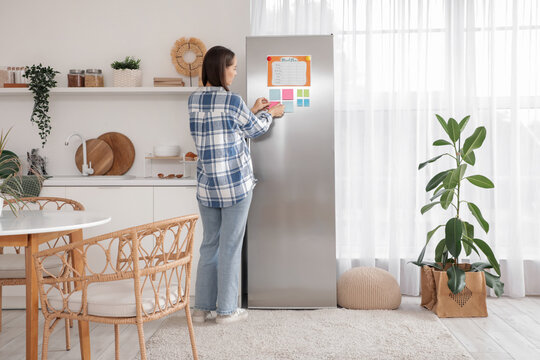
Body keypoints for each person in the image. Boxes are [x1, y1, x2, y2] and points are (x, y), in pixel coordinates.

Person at [189, 46, 285, 324]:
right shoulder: (232, 101)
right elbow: (255, 129)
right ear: (221, 69)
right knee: (230, 246)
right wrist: (270, 113)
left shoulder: (193, 100)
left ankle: (201, 309)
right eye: (233, 68)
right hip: (234, 186)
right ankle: (227, 311)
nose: (235, 73)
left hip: (207, 186)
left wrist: (251, 109)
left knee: (209, 246)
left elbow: (226, 127)